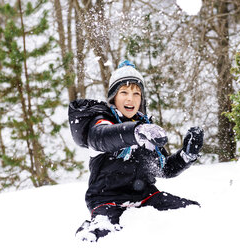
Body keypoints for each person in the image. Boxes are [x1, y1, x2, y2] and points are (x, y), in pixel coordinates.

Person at [68, 60, 204, 242]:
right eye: (123, 92)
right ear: (113, 97)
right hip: (107, 200)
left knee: (191, 212)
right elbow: (101, 137)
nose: (130, 98)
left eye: (136, 93)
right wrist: (136, 133)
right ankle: (88, 232)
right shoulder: (103, 121)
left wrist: (186, 156)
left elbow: (163, 169)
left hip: (146, 197)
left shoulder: (145, 127)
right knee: (103, 236)